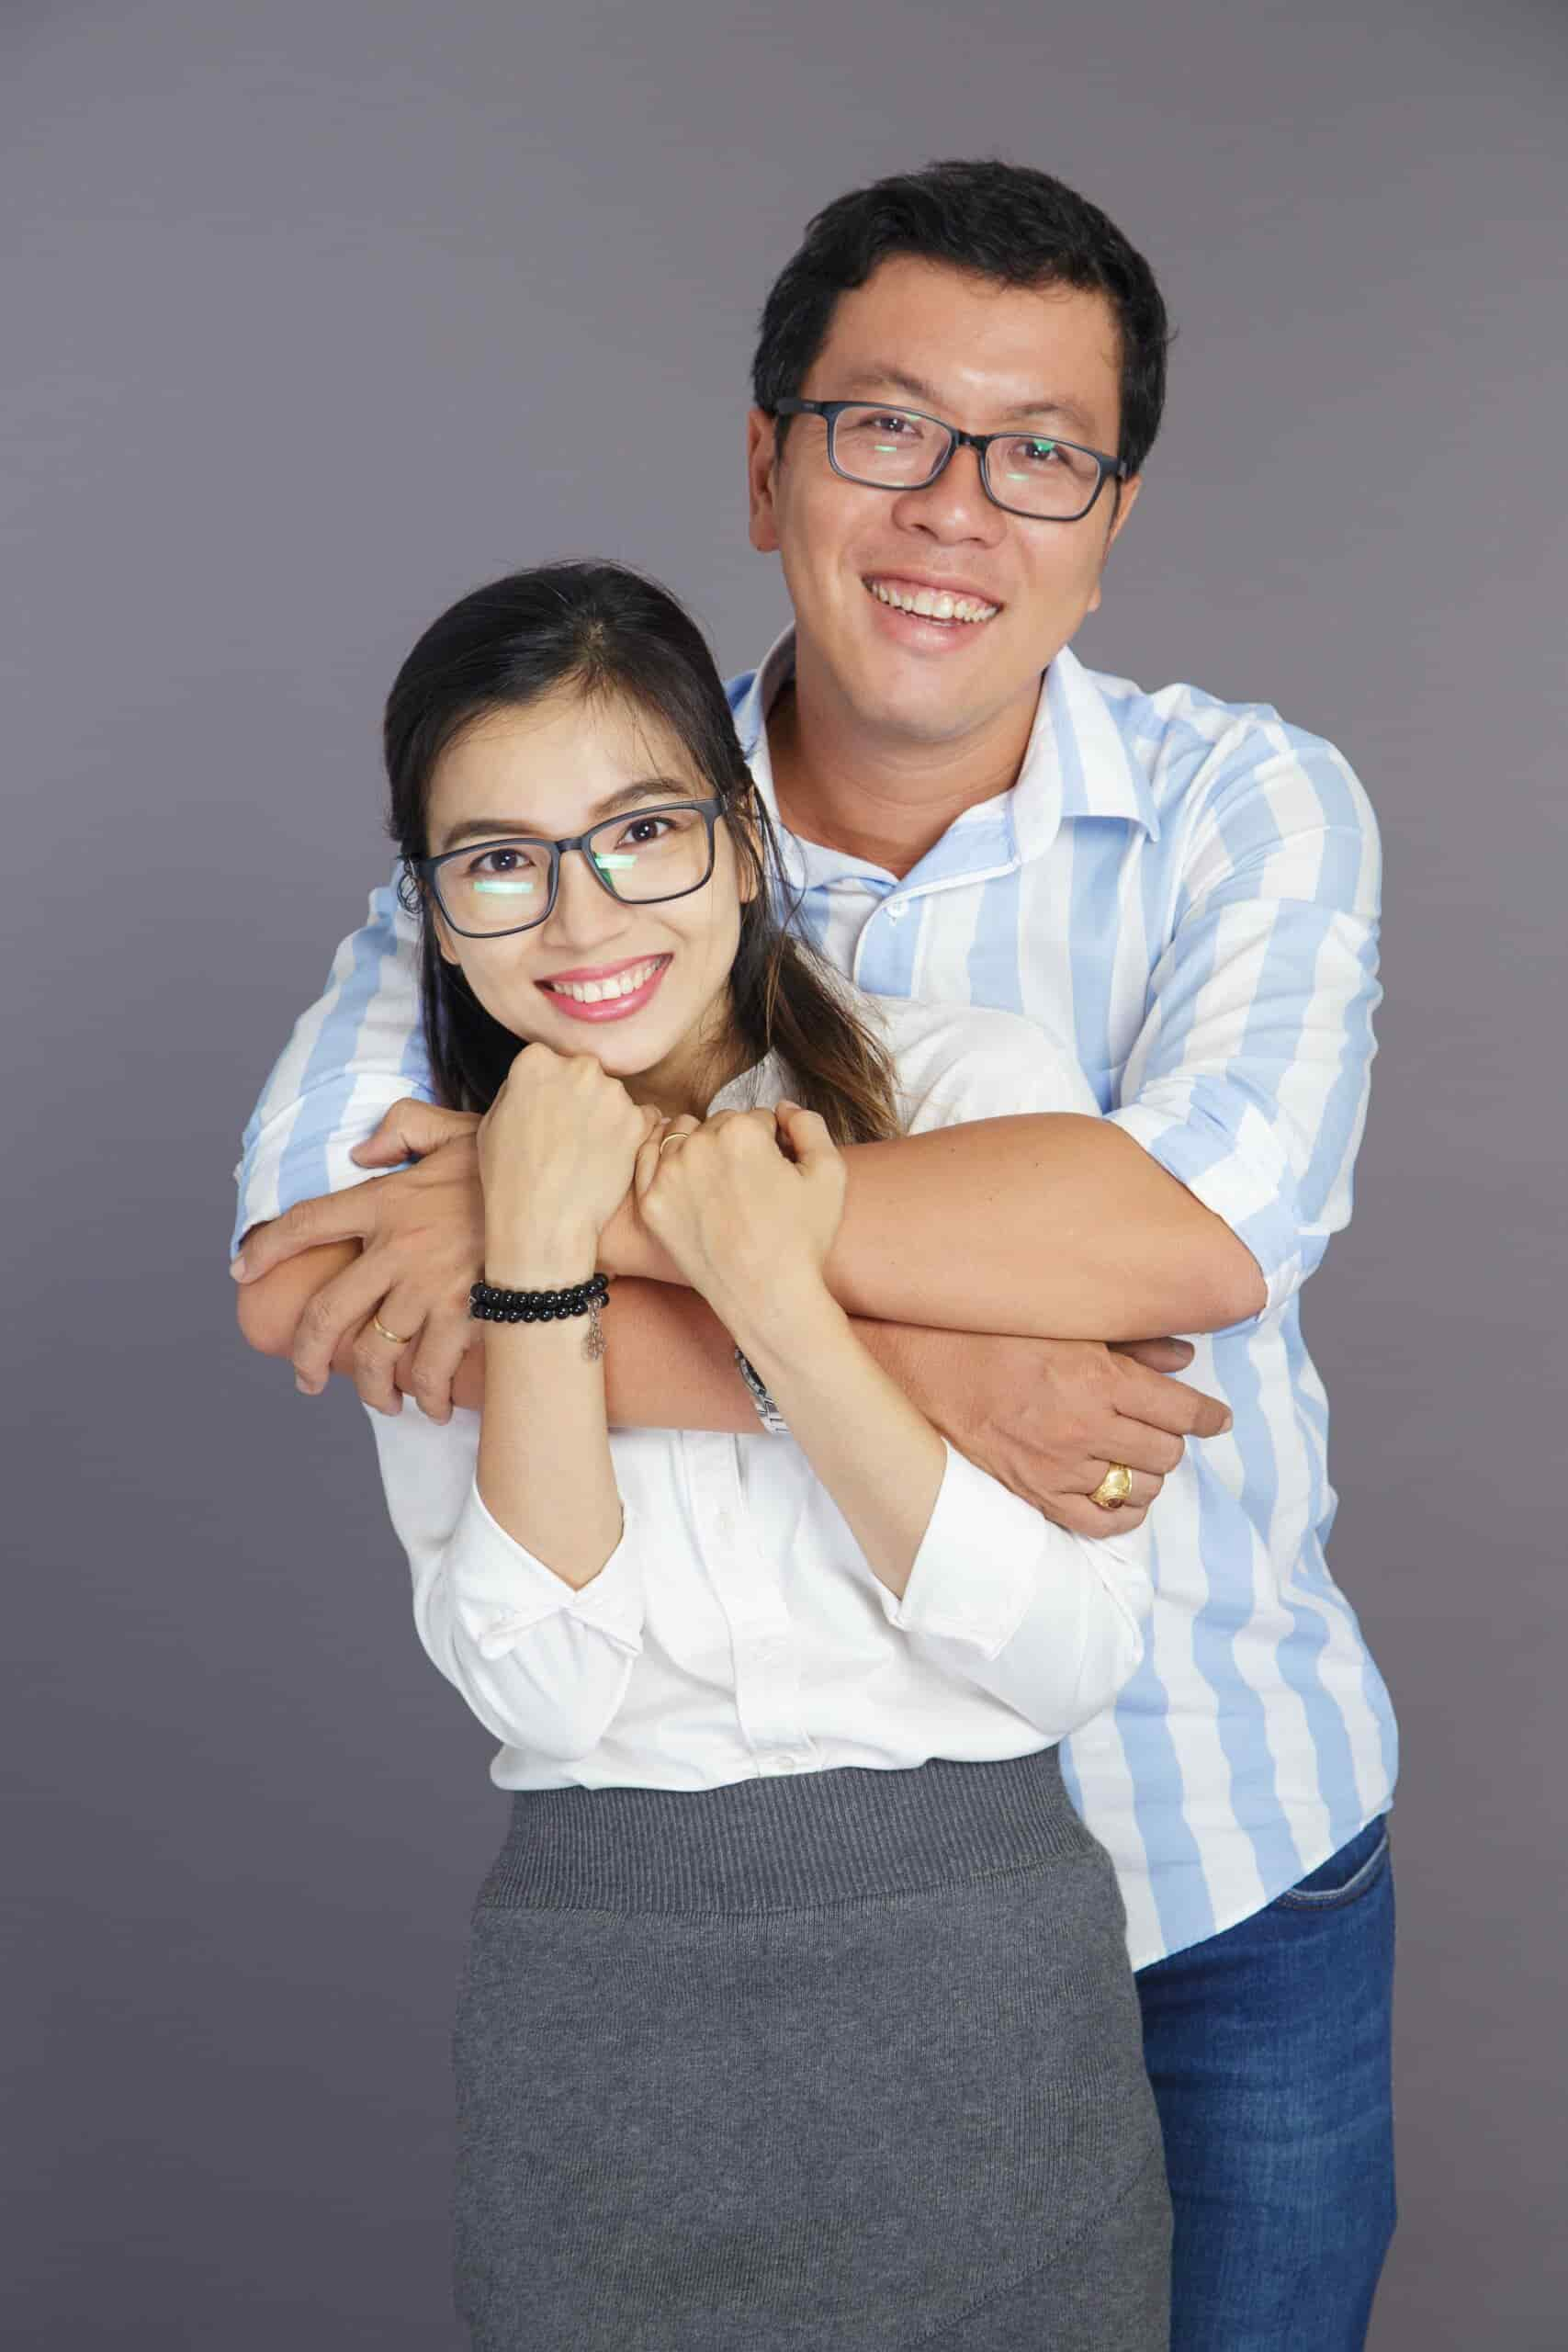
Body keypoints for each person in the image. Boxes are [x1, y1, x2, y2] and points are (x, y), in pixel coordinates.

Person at [231, 162, 1397, 2347]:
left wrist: (578, 1209)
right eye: (888, 426)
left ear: (1111, 512)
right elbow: (316, 1272)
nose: (960, 504)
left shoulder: (1250, 804)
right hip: (727, 1934)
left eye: (1040, 450)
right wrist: (952, 1362)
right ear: (765, 463)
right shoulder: (568, 833)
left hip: (1233, 1847)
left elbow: (1198, 1231)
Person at [350, 555, 1173, 2346]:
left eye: (640, 831)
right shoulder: (435, 1210)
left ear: (735, 832)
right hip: (603, 2017)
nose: (579, 923)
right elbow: (552, 1693)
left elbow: (1064, 1647)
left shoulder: (965, 1097)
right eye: (499, 860)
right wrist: (539, 1255)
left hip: (982, 1992)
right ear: (436, 906)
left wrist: (771, 1286)